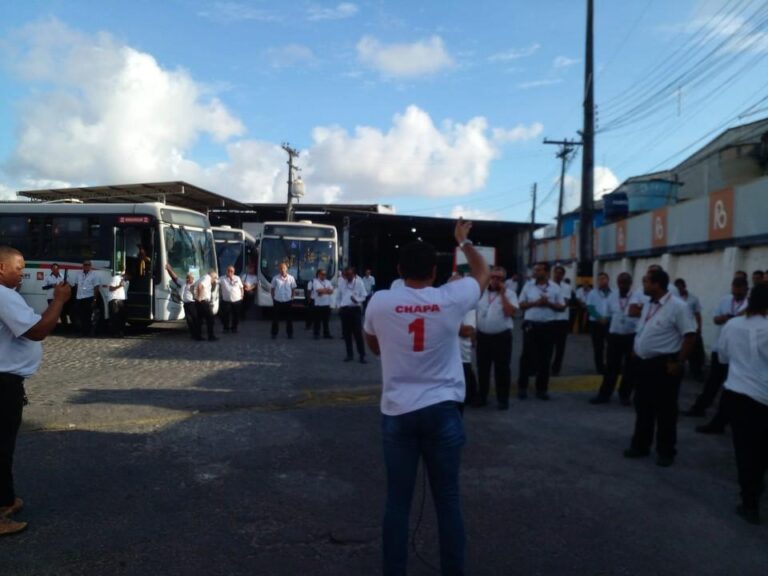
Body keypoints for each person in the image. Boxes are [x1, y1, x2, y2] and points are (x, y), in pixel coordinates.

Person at [363, 219, 489, 576]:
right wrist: (462, 242)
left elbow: (374, 346)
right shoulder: (452, 297)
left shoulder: (381, 301)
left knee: (397, 503)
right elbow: (483, 271)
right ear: (434, 272)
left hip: (398, 412)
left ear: (399, 270)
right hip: (443, 412)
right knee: (447, 500)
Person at [0, 246, 71, 536]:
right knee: (1, 448)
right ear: (1, 268)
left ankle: (5, 500)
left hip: (6, 382)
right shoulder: (3, 295)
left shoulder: (8, 295)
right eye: (19, 268)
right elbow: (37, 331)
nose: (22, 273)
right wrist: (59, 300)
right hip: (3, 384)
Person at [623, 268, 696, 467]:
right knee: (643, 405)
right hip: (643, 363)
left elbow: (689, 336)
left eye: (646, 282)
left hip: (664, 365)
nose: (643, 286)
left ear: (657, 284)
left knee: (665, 410)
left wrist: (679, 362)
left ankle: (666, 451)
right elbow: (644, 329)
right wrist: (636, 348)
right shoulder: (649, 304)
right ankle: (640, 445)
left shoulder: (678, 307)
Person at [718, 283, 768, 525]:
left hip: (738, 394)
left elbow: (723, 356)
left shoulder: (732, 325)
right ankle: (756, 486)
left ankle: (749, 502)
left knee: (745, 451)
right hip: (764, 397)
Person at [686, 277, 749, 433]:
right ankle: (700, 408)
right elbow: (716, 319)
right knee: (712, 382)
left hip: (737, 352)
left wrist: (733, 318)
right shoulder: (726, 300)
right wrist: (727, 318)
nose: (736, 293)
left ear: (745, 289)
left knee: (730, 388)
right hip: (720, 348)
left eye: (740, 290)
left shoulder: (750, 303)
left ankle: (721, 421)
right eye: (734, 290)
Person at [590, 272, 643, 405]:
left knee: (630, 368)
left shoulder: (638, 297)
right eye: (620, 282)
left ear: (630, 283)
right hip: (614, 336)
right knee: (611, 367)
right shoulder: (612, 297)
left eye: (625, 282)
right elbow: (607, 316)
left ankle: (624, 395)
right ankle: (604, 395)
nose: (622, 285)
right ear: (617, 283)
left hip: (631, 336)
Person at [517, 262, 566, 400]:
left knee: (545, 358)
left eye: (538, 270)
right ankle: (522, 387)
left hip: (548, 326)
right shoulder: (528, 286)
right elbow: (520, 305)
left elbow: (562, 307)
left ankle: (542, 389)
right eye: (535, 269)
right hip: (531, 326)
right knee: (526, 357)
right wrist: (535, 303)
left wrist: (548, 304)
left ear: (546, 272)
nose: (535, 272)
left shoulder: (555, 288)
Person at [474, 266, 518, 409]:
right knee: (482, 368)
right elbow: (474, 313)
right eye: (493, 277)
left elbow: (510, 313)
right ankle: (482, 396)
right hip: (482, 337)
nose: (495, 280)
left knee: (502, 369)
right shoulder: (481, 293)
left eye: (499, 278)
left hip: (501, 338)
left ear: (504, 281)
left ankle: (503, 399)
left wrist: (503, 295)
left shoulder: (511, 294)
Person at [449, 273, 478, 407]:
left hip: (462, 353)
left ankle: (471, 398)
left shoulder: (469, 306)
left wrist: (446, 324)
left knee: (466, 375)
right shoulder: (445, 305)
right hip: (447, 354)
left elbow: (467, 331)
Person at [674, 278, 705, 379]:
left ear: (684, 286)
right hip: (678, 329)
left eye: (680, 287)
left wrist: (699, 327)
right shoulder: (674, 298)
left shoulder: (693, 299)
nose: (679, 290)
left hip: (691, 327)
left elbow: (697, 314)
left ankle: (696, 373)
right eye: (677, 288)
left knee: (696, 353)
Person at [338, 267, 368, 363]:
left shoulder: (359, 283)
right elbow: (338, 296)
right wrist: (339, 306)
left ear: (354, 275)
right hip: (345, 310)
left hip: (355, 309)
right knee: (347, 334)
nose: (348, 277)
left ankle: (362, 355)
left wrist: (357, 300)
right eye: (346, 275)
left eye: (350, 275)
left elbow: (364, 295)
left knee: (358, 333)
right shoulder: (342, 283)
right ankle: (349, 354)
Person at [586, 272, 612, 374]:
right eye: (600, 279)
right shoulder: (592, 293)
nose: (602, 281)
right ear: (597, 281)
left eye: (604, 278)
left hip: (609, 322)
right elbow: (590, 308)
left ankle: (610, 366)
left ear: (608, 280)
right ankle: (599, 368)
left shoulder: (614, 292)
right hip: (596, 323)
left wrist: (608, 318)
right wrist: (599, 318)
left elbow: (615, 308)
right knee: (598, 347)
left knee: (611, 346)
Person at [550, 265, 572, 376]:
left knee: (560, 346)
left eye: (560, 273)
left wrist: (551, 303)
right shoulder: (548, 285)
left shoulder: (567, 287)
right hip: (550, 319)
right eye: (556, 272)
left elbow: (565, 303)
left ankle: (556, 368)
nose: (557, 275)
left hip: (562, 319)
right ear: (553, 273)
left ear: (563, 275)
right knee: (547, 345)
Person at [166, 265, 198, 339]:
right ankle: (192, 334)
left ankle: (197, 333)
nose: (187, 279)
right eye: (187, 277)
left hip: (193, 304)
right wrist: (169, 269)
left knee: (195, 319)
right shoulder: (183, 283)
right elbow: (175, 278)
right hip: (186, 304)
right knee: (189, 320)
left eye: (189, 278)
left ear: (192, 279)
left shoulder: (194, 285)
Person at [71, 260, 99, 337]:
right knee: (80, 316)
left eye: (88, 265)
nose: (86, 266)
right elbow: (76, 285)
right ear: (82, 266)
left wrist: (94, 299)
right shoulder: (78, 274)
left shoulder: (94, 275)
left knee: (88, 316)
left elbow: (96, 287)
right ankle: (83, 332)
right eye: (85, 265)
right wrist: (77, 296)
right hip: (80, 297)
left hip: (89, 297)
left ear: (90, 266)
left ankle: (89, 332)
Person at [270, 262, 296, 339]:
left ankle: (290, 334)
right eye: (280, 268)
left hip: (288, 301)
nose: (282, 270)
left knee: (289, 319)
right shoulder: (275, 278)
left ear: (286, 268)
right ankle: (274, 333)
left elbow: (293, 288)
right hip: (277, 300)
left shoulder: (291, 278)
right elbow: (272, 289)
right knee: (275, 319)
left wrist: (292, 297)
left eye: (283, 268)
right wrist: (273, 298)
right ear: (279, 269)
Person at [309, 269, 334, 339]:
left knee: (326, 320)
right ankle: (316, 334)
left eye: (325, 274)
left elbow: (331, 291)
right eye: (322, 274)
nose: (324, 276)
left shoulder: (328, 282)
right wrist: (326, 290)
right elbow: (318, 290)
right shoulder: (315, 281)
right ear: (319, 274)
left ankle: (326, 334)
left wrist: (323, 291)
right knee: (317, 321)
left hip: (326, 303)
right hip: (318, 304)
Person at [219, 265, 244, 333]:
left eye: (231, 271)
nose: (230, 272)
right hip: (226, 300)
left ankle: (234, 328)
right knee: (225, 315)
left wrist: (242, 295)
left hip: (236, 300)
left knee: (236, 315)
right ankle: (226, 328)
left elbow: (241, 287)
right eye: (228, 271)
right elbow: (215, 283)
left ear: (234, 272)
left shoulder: (237, 278)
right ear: (226, 271)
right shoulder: (222, 278)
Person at [102, 271, 127, 337]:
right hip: (114, 300)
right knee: (115, 318)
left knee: (121, 317)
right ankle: (115, 333)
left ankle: (120, 332)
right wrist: (120, 286)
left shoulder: (125, 281)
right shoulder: (115, 278)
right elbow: (111, 288)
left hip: (121, 299)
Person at [195, 270, 218, 342]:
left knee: (199, 320)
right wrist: (200, 297)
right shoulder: (207, 278)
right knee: (210, 319)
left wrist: (196, 297)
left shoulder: (202, 277)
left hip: (198, 302)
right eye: (215, 278)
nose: (215, 280)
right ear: (212, 276)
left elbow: (193, 287)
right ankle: (211, 336)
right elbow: (200, 286)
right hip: (203, 301)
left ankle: (198, 336)